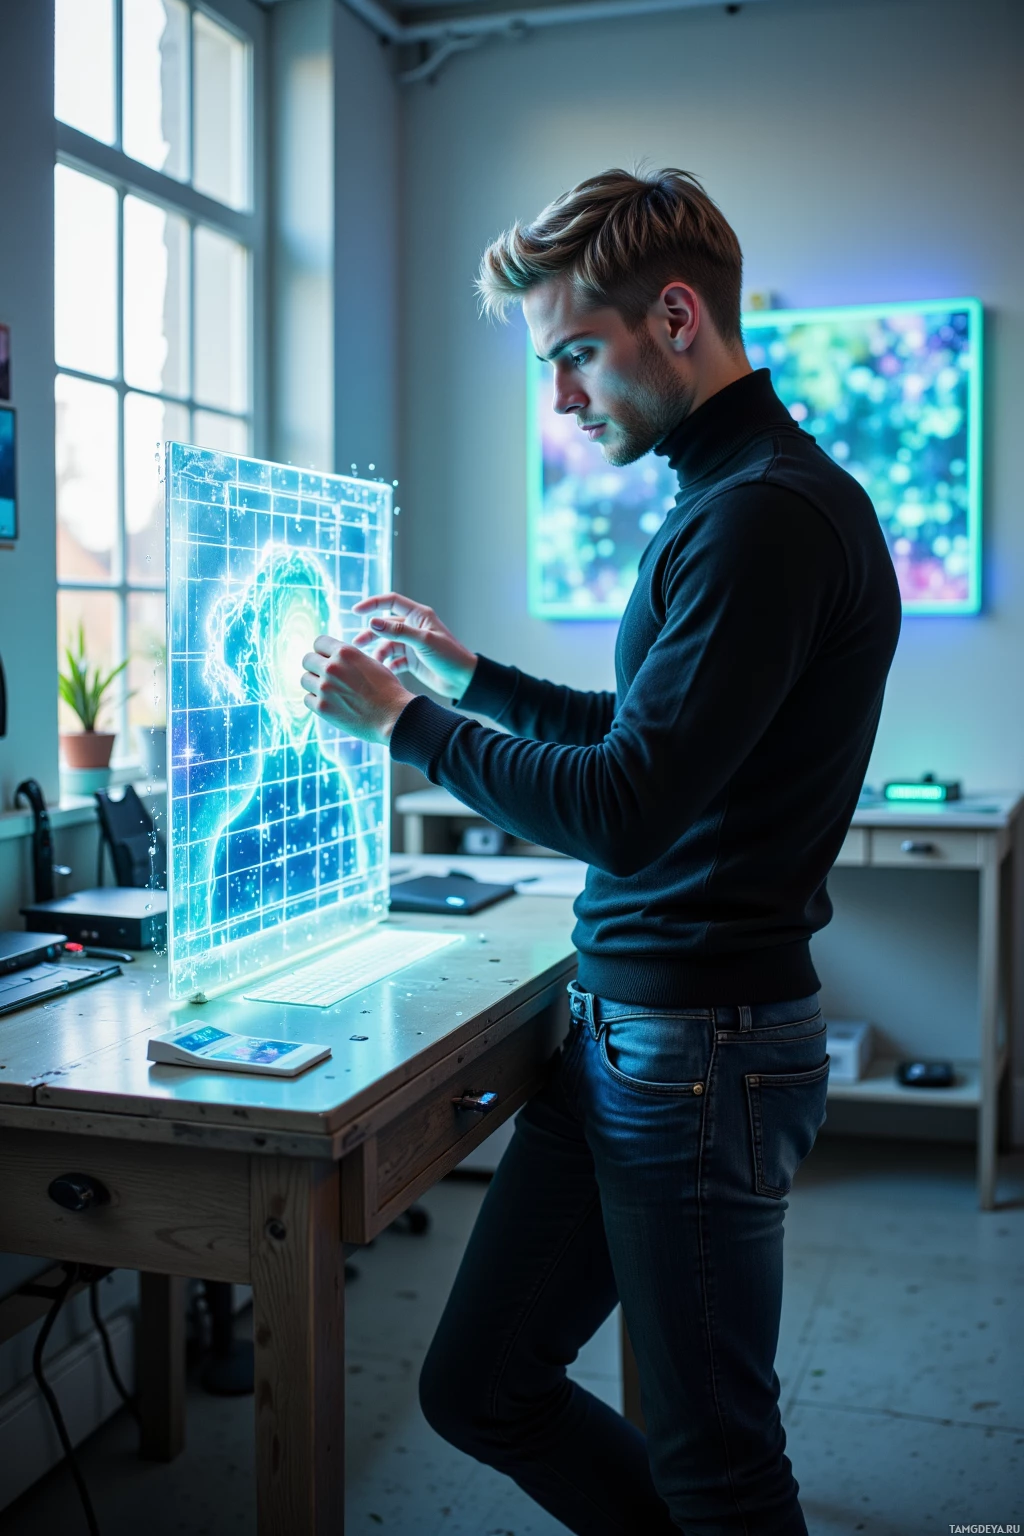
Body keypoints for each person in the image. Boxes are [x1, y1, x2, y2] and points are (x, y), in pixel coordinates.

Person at [299, 167, 902, 1535]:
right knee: (481, 1386)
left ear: (675, 317)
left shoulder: (759, 516)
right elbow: (651, 741)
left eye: (576, 354)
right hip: (640, 1039)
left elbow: (626, 805)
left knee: (720, 1470)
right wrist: (474, 681)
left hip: (695, 1051)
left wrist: (407, 725)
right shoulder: (734, 494)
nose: (563, 399)